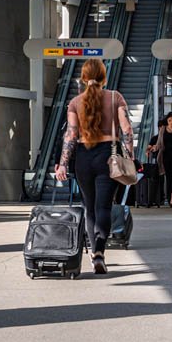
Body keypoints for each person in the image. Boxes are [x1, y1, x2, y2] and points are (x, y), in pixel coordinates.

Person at [56, 59, 134, 275]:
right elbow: (127, 129)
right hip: (108, 155)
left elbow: (70, 134)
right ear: (104, 76)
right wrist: (130, 155)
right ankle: (99, 252)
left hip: (83, 157)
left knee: (89, 208)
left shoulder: (75, 102)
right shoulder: (115, 97)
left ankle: (93, 253)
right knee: (104, 207)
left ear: (83, 77)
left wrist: (63, 163)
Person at [143, 121, 165, 208]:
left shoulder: (167, 137)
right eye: (162, 127)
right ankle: (157, 198)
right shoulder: (154, 138)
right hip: (157, 162)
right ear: (159, 128)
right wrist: (151, 149)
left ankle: (161, 198)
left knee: (162, 180)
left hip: (166, 160)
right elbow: (147, 150)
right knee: (157, 179)